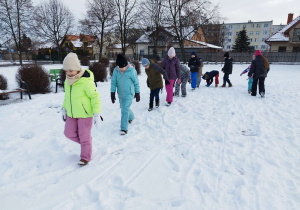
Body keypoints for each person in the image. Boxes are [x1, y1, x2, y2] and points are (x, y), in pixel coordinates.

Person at [61, 52, 101, 166]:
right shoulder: (67, 81)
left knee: (84, 136)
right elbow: (67, 97)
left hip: (85, 114)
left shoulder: (86, 82)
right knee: (68, 133)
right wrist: (64, 108)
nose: (68, 73)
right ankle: (87, 143)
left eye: (71, 70)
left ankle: (85, 157)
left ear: (77, 69)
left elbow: (95, 97)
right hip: (71, 114)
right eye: (66, 71)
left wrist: (97, 114)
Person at [111, 54, 140, 135]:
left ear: (126, 65)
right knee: (123, 108)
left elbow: (136, 82)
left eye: (122, 68)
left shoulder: (131, 71)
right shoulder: (116, 70)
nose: (121, 70)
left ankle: (124, 128)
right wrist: (112, 93)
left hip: (129, 93)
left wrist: (137, 93)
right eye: (119, 68)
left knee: (124, 110)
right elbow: (113, 82)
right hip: (120, 93)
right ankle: (131, 117)